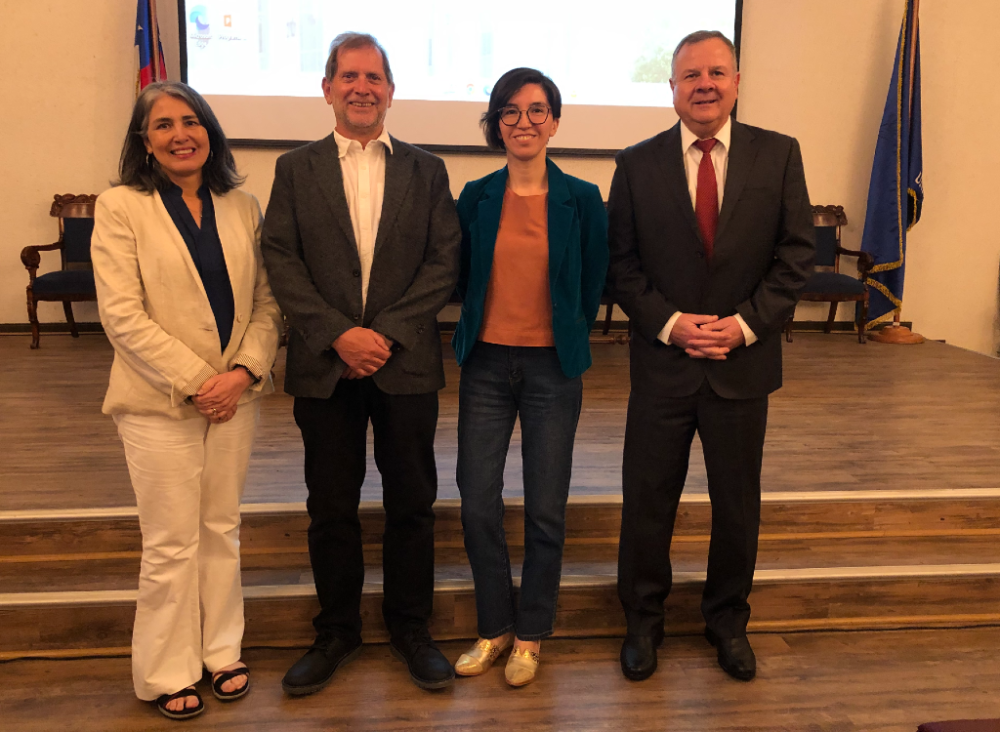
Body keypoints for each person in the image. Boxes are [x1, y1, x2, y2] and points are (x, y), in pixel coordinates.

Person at [607, 31, 815, 682]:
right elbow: (622, 265)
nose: (704, 84)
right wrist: (670, 325)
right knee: (647, 503)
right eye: (691, 74)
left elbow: (796, 255)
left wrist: (745, 326)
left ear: (737, 81)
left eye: (716, 72)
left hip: (741, 367)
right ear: (672, 87)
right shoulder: (635, 164)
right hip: (663, 366)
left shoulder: (779, 154)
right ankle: (643, 623)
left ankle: (727, 622)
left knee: (737, 507)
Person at [261, 32, 461, 694]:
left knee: (413, 503)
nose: (362, 88)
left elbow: (443, 262)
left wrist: (385, 337)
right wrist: (339, 335)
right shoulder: (295, 168)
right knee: (330, 506)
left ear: (390, 92)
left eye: (374, 77)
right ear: (327, 88)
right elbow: (281, 258)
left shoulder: (427, 170)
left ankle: (411, 628)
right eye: (349, 76)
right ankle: (337, 631)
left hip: (405, 366)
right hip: (326, 367)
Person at [90, 81, 282, 719]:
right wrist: (203, 381)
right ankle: (167, 670)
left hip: (236, 398)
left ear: (210, 132)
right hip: (159, 402)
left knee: (221, 528)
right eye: (164, 125)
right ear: (144, 142)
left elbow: (267, 302)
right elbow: (122, 316)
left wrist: (244, 373)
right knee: (171, 542)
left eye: (191, 121)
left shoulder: (242, 206)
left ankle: (222, 650)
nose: (181, 135)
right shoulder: (120, 207)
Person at [450, 68, 609, 686]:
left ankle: (531, 634)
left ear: (555, 122)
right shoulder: (476, 196)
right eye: (510, 111)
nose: (524, 121)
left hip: (552, 369)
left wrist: (562, 330)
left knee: (546, 507)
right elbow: (463, 276)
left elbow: (592, 283)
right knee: (477, 503)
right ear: (496, 124)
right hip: (486, 365)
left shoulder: (583, 199)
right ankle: (494, 627)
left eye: (537, 110)